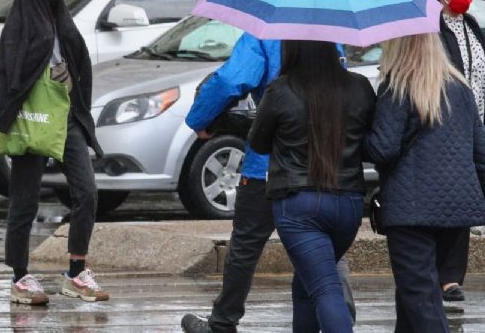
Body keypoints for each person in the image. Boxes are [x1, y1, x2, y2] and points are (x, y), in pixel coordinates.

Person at [180, 34, 357, 333]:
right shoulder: (329, 30)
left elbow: (229, 81)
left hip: (269, 166)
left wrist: (201, 119)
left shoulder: (264, 34)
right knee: (325, 248)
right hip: (323, 162)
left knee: (246, 246)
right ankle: (340, 314)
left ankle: (223, 321)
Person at [0, 0, 108, 305]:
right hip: (32, 122)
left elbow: (80, 67)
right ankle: (19, 276)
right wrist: (7, 119)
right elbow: (4, 77)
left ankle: (76, 272)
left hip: (66, 119)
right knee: (25, 201)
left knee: (87, 192)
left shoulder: (64, 24)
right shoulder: (18, 28)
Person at [249, 40, 374, 332]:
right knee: (307, 283)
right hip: (349, 205)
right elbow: (368, 142)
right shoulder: (360, 87)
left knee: (325, 288)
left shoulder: (281, 90)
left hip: (299, 204)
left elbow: (258, 143)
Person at [365, 32, 485, 332]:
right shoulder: (460, 88)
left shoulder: (398, 86)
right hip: (457, 209)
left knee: (420, 297)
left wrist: (361, 135)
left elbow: (383, 149)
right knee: (413, 295)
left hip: (411, 209)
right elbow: (480, 153)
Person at [431, 0, 485, 302]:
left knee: (463, 199)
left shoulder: (471, 24)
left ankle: (451, 276)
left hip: (474, 126)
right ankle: (436, 273)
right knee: (441, 198)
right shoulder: (429, 28)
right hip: (442, 127)